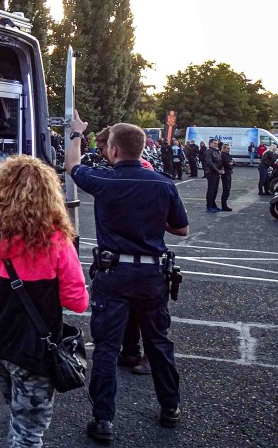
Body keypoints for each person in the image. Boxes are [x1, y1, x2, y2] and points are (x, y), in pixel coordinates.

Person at [66, 115, 189, 442]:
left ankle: (103, 420)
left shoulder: (104, 180)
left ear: (115, 150)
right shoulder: (163, 183)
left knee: (107, 347)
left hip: (114, 273)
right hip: (151, 274)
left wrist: (77, 133)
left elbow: (71, 166)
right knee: (159, 342)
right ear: (142, 149)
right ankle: (170, 407)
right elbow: (181, 229)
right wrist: (151, 220)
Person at [0, 155, 88, 447]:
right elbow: (77, 301)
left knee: (18, 413)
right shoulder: (55, 240)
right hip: (32, 349)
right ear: (49, 195)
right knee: (29, 431)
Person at [203, 139, 223, 212]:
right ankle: (209, 206)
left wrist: (221, 169)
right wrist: (217, 170)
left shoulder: (217, 151)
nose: (216, 145)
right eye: (215, 143)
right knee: (211, 189)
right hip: (211, 173)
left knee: (215, 189)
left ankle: (213, 204)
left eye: (217, 143)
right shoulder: (209, 151)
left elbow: (220, 161)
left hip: (216, 173)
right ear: (210, 144)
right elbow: (209, 162)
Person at [219, 143, 235, 211]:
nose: (229, 150)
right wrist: (231, 164)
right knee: (226, 189)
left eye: (229, 148)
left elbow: (233, 162)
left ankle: (224, 205)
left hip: (228, 173)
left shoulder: (227, 155)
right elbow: (227, 164)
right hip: (225, 174)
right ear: (224, 148)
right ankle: (224, 205)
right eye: (227, 148)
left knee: (228, 189)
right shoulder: (223, 155)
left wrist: (231, 163)